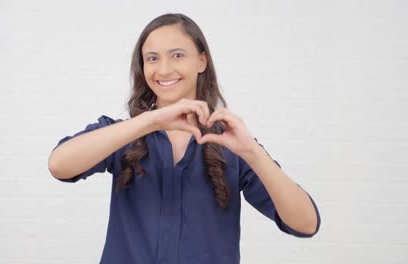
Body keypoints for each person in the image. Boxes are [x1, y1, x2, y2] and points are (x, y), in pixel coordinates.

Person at [48, 13, 320, 264]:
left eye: (177, 55)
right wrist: (150, 120)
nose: (164, 70)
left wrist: (253, 154)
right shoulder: (121, 135)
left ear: (201, 61)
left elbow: (306, 223)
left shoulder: (233, 145)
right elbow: (59, 165)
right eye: (152, 58)